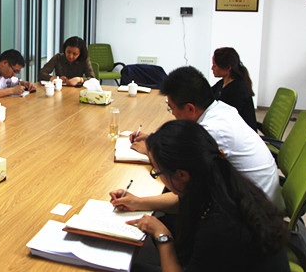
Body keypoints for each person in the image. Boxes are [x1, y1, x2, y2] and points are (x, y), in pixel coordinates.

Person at [118, 120, 289, 272]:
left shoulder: (220, 226)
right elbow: (181, 201)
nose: (158, 175)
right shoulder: (220, 180)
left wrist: (163, 236)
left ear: (181, 175)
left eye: (157, 171)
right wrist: (139, 202)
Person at [124, 66, 284, 210]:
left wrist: (150, 150)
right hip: (252, 194)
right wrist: (154, 139)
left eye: (171, 108)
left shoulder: (212, 131)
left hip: (255, 212)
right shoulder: (221, 109)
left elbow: (185, 188)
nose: (172, 114)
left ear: (190, 108)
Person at [211, 47, 257, 129]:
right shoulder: (222, 83)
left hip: (239, 132)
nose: (212, 68)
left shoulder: (237, 90)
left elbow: (226, 118)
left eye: (215, 66)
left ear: (228, 68)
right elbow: (207, 94)